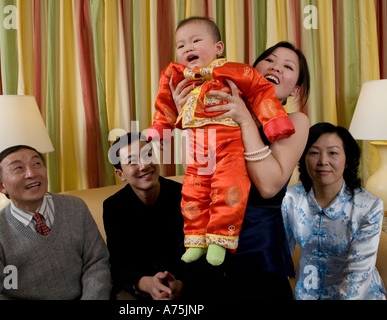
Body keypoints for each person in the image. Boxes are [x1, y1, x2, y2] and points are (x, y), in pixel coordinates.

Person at [148, 16, 296, 266]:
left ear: (219, 48)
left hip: (258, 239)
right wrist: (168, 124)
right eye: (181, 45)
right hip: (199, 148)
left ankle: (218, 238)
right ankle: (196, 239)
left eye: (196, 40)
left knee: (229, 188)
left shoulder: (236, 73)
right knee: (192, 191)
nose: (188, 48)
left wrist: (272, 121)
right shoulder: (176, 75)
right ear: (257, 66)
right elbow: (164, 103)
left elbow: (261, 92)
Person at [172, 41, 310, 300]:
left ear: (295, 89)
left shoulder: (295, 122)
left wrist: (245, 119)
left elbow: (268, 187)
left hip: (258, 254)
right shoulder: (218, 106)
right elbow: (199, 171)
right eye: (270, 60)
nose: (276, 67)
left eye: (287, 66)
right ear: (251, 69)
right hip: (207, 240)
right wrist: (190, 119)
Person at [0, 145, 111, 300]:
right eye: (18, 168)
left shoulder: (76, 208)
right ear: (1, 185)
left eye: (37, 164)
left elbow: (97, 262)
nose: (31, 173)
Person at [281, 122, 386, 300]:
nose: (323, 161)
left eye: (333, 153)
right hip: (307, 294)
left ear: (346, 160)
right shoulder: (290, 198)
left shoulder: (369, 206)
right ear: (304, 157)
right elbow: (281, 257)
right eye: (314, 152)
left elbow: (358, 276)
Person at [103, 132, 185, 300]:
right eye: (132, 161)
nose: (144, 165)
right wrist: (145, 283)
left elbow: (201, 250)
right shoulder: (113, 207)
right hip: (140, 289)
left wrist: (180, 284)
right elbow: (118, 264)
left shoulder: (185, 195)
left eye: (148, 155)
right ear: (121, 174)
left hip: (186, 283)